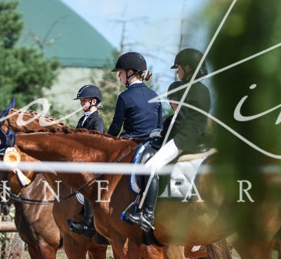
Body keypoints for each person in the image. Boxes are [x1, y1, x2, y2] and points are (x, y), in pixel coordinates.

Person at [124, 48, 213, 232]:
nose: (177, 72)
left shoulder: (192, 90)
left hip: (184, 140)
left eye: (178, 68)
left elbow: (184, 121)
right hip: (190, 137)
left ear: (188, 68)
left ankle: (147, 215)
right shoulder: (199, 88)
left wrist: (166, 138)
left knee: (150, 167)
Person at [67, 84, 110, 241]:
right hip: (81, 161)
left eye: (83, 100)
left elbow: (95, 144)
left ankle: (88, 223)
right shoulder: (81, 119)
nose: (81, 103)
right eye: (81, 100)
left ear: (93, 101)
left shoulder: (97, 121)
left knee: (88, 185)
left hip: (93, 163)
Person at [107, 52, 161, 140]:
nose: (119, 75)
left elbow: (116, 128)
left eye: (121, 72)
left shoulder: (124, 97)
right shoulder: (155, 95)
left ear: (130, 72)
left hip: (129, 144)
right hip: (151, 144)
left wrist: (105, 140)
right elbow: (159, 126)